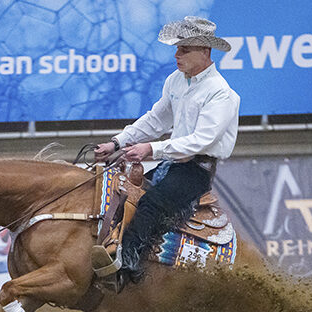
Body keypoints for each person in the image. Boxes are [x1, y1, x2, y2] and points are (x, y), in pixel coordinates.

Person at [95, 16, 240, 288]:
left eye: (184, 49)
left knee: (152, 204)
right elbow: (155, 119)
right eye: (177, 48)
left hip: (195, 172)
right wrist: (117, 142)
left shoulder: (222, 94)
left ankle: (127, 266)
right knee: (120, 193)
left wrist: (152, 148)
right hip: (171, 164)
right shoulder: (176, 81)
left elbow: (201, 141)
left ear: (205, 52)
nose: (176, 55)